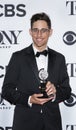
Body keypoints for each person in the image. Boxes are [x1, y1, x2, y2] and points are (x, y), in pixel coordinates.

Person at [2, 12, 71, 130]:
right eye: (35, 30)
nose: (39, 34)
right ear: (30, 32)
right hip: (25, 123)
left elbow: (67, 91)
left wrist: (55, 93)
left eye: (44, 30)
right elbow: (6, 91)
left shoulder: (60, 58)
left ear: (50, 32)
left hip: (52, 124)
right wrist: (29, 99)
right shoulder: (18, 57)